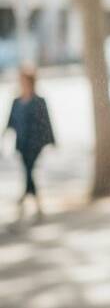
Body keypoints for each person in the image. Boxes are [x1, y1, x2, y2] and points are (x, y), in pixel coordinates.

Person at [4, 67, 55, 219]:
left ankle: (26, 198)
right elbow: (11, 121)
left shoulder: (39, 101)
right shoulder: (16, 101)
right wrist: (4, 134)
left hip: (35, 143)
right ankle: (34, 200)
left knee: (29, 169)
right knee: (28, 171)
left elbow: (46, 122)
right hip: (21, 142)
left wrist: (52, 140)